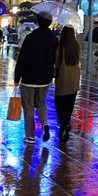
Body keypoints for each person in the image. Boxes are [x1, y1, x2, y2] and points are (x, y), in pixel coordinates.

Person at [14, 14, 57, 144]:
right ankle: (44, 124)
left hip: (28, 78)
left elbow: (22, 58)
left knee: (28, 107)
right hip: (45, 78)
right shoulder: (53, 39)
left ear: (38, 22)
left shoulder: (30, 37)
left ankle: (30, 136)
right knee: (41, 102)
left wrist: (17, 76)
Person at [54, 26, 81, 143]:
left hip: (62, 81)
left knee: (60, 105)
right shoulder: (76, 46)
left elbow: (56, 63)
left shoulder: (60, 48)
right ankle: (66, 124)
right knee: (69, 107)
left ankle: (64, 124)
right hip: (74, 81)